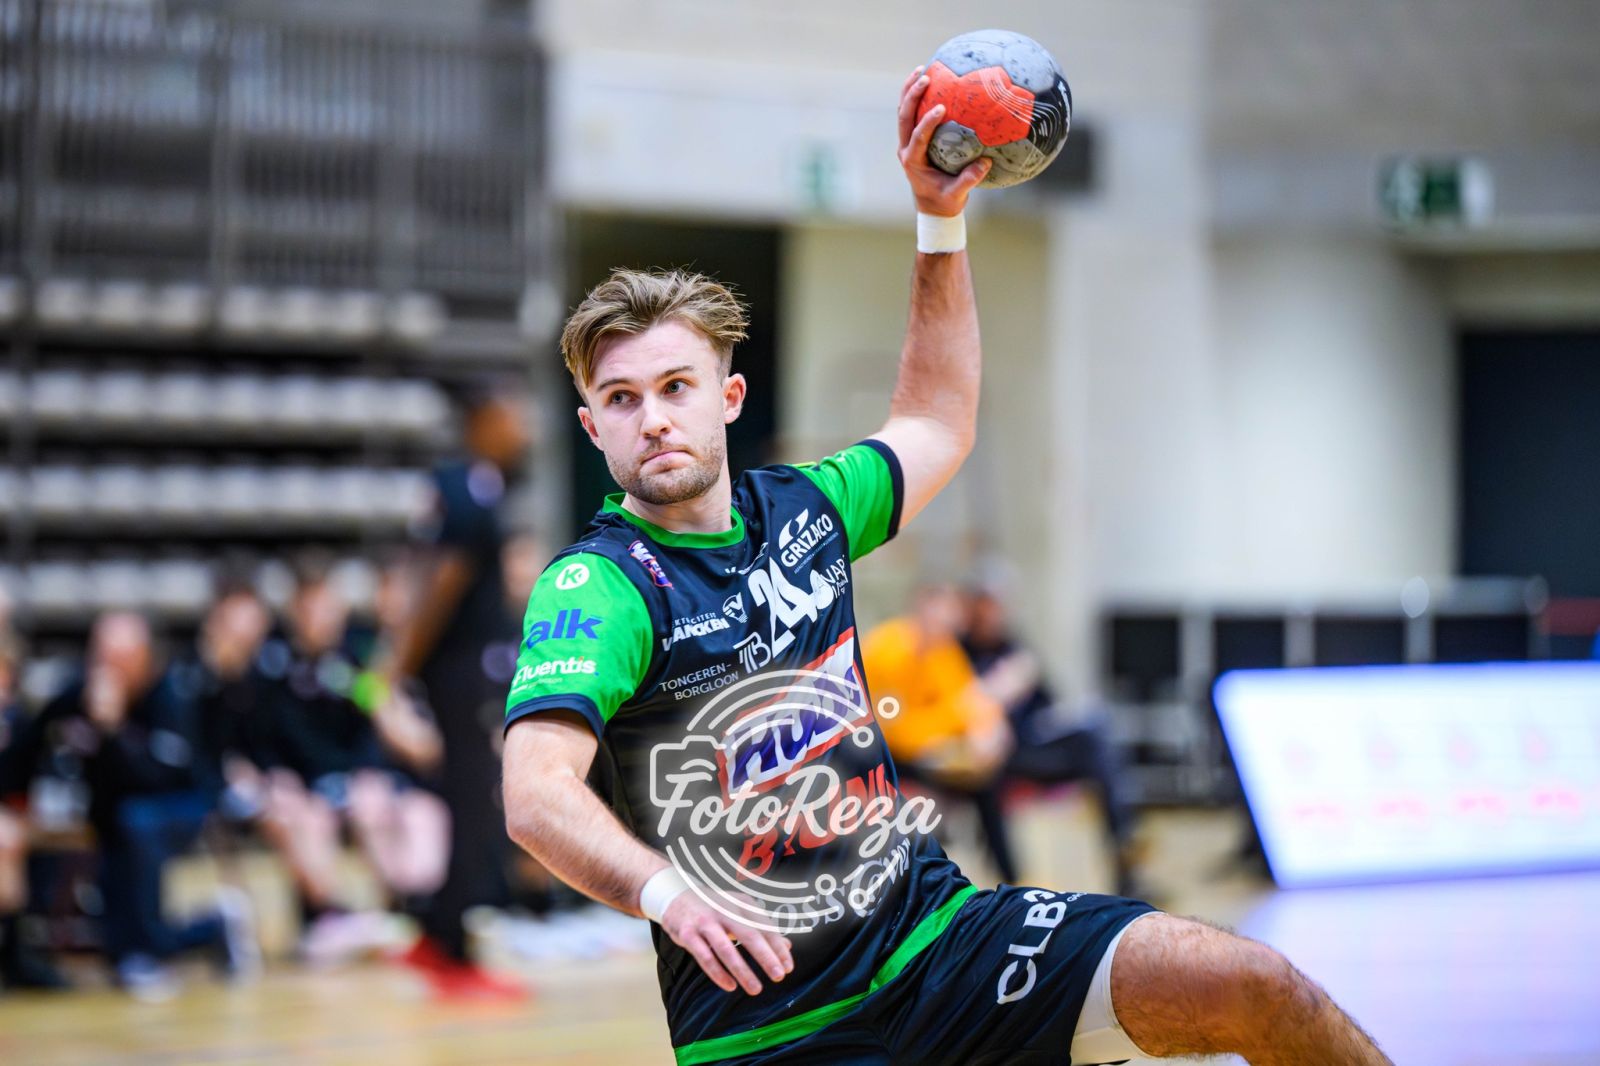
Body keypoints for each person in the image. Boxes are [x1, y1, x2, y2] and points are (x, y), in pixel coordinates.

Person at [500, 68, 1391, 1066]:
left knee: (1251, 983)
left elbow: (934, 420)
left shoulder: (805, 508)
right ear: (589, 425)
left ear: (730, 397)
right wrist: (665, 892)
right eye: (621, 399)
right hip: (774, 1021)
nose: (653, 416)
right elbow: (536, 793)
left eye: (675, 386)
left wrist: (938, 218)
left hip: (939, 942)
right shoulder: (602, 585)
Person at [379, 383, 531, 998]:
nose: (524, 431)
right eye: (512, 416)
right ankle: (453, 957)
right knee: (475, 808)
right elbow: (438, 588)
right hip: (462, 675)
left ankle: (436, 936)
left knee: (469, 804)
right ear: (483, 421)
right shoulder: (468, 492)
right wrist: (391, 672)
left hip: (456, 672)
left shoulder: (459, 486)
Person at [35, 612, 257, 998]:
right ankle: (207, 928)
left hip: (181, 806)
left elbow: (160, 776)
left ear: (142, 657)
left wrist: (114, 730)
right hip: (108, 815)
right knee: (112, 937)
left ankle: (145, 955)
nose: (107, 667)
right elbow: (36, 740)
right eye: (99, 655)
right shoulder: (77, 692)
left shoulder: (171, 692)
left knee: (136, 820)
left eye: (118, 657)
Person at [248, 562, 446, 966]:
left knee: (385, 808)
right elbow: (263, 741)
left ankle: (405, 911)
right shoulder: (274, 666)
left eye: (330, 607)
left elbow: (374, 712)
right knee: (308, 817)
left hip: (360, 778)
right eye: (314, 608)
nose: (324, 617)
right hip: (305, 783)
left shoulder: (359, 656)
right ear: (297, 611)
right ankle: (330, 916)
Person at [959, 582, 1149, 896]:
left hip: (1034, 742)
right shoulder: (959, 652)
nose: (993, 615)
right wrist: (1000, 691)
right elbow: (960, 707)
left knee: (1095, 734)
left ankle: (1124, 849)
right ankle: (1014, 882)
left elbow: (1047, 701)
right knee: (1090, 747)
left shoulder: (1012, 647)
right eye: (986, 607)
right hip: (1000, 752)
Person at [0, 629, 70, 990]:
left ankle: (16, 944)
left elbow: (29, 779)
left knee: (12, 839)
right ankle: (13, 950)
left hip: (15, 816)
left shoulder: (20, 723)